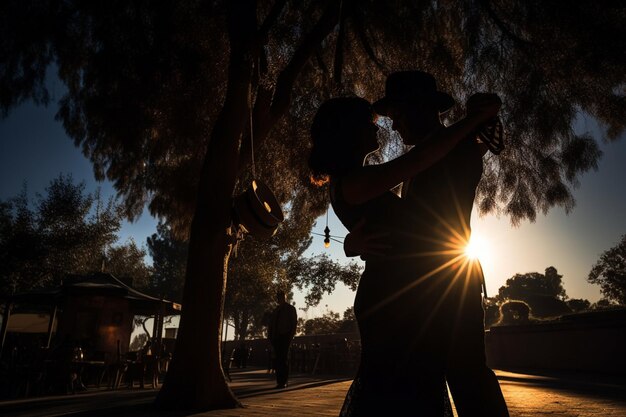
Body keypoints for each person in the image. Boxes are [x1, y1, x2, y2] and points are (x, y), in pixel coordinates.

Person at [308, 84, 502, 415]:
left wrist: (478, 121)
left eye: (395, 116)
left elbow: (438, 167)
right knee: (405, 388)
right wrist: (471, 122)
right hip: (395, 300)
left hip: (419, 292)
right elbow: (419, 160)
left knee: (432, 382)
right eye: (371, 123)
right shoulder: (358, 180)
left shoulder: (366, 177)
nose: (387, 126)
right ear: (349, 133)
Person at [372, 71, 509, 417]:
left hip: (447, 281)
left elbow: (424, 220)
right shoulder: (438, 150)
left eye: (398, 117)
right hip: (437, 282)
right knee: (452, 374)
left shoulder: (455, 148)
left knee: (466, 375)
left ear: (419, 109)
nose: (396, 127)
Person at [268, 290, 298, 389]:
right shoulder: (276, 310)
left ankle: (284, 381)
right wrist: (270, 337)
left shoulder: (290, 309)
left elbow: (293, 324)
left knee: (284, 359)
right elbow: (271, 325)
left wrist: (291, 336)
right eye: (278, 297)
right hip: (276, 337)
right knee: (277, 360)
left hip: (285, 336)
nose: (279, 299)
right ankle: (279, 381)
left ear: (285, 297)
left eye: (281, 297)